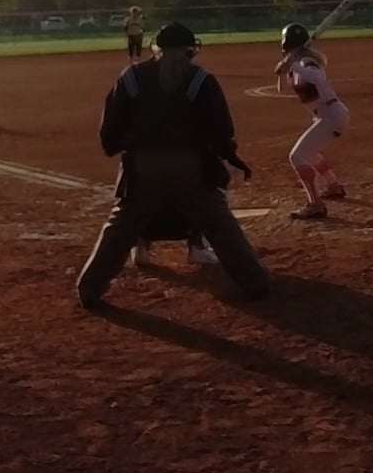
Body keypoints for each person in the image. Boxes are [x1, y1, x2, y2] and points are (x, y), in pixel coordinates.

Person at [76, 22, 268, 308]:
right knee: (219, 224)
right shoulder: (200, 79)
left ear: (157, 48)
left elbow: (110, 133)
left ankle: (89, 288)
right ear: (191, 49)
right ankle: (256, 283)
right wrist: (228, 157)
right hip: (190, 166)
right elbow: (222, 130)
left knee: (121, 227)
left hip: (142, 166)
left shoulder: (131, 77)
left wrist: (123, 147)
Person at [275, 23, 348, 220]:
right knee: (309, 153)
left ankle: (315, 204)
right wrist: (282, 72)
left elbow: (317, 78)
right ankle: (334, 186)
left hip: (331, 114)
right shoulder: (297, 65)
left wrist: (293, 64)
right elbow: (283, 89)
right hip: (327, 115)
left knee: (297, 156)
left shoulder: (307, 62)